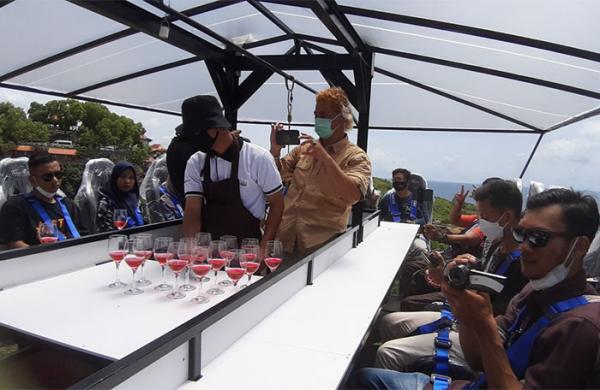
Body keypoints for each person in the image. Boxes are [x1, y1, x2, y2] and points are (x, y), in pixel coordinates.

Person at [354, 188, 600, 389]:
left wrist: (482, 323)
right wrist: (465, 312)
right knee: (365, 376)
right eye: (522, 234)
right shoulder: (534, 291)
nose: (524, 246)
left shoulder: (579, 328)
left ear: (579, 246)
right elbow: (477, 361)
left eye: (538, 238)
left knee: (373, 372)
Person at [376, 179, 527, 372]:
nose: (480, 221)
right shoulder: (496, 244)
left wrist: (449, 287)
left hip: (481, 335)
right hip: (462, 318)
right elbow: (478, 284)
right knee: (389, 321)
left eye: (485, 216)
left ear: (506, 217)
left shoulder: (519, 265)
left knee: (388, 353)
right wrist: (446, 273)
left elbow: (490, 311)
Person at [271, 87, 372, 253]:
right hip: (284, 240)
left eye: (323, 116)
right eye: (316, 115)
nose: (318, 120)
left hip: (321, 249)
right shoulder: (304, 149)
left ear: (341, 119)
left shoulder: (356, 157)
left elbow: (353, 195)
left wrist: (326, 159)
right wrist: (275, 151)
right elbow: (276, 175)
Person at [182, 95, 284, 251]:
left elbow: (277, 203)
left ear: (217, 126)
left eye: (198, 132)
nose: (195, 138)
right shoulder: (196, 162)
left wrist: (264, 247)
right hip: (211, 251)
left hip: (249, 251)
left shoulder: (258, 158)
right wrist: (191, 248)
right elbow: (192, 210)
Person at [0, 151, 83, 248]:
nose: (55, 180)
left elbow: (83, 234)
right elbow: (13, 244)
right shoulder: (15, 206)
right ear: (32, 180)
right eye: (48, 177)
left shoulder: (68, 204)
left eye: (58, 175)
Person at [96, 161, 145, 232]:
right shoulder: (106, 203)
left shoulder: (137, 200)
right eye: (123, 176)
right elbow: (106, 233)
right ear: (115, 178)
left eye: (131, 178)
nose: (127, 181)